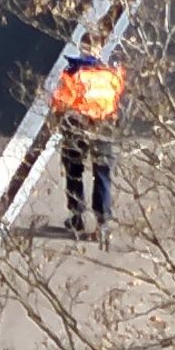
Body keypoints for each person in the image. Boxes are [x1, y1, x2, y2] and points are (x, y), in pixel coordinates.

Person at [51, 49, 124, 241]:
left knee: (73, 170)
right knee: (102, 173)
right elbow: (117, 99)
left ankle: (77, 217)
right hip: (105, 125)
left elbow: (60, 103)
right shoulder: (111, 75)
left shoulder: (74, 74)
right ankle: (103, 223)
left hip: (78, 125)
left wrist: (58, 123)